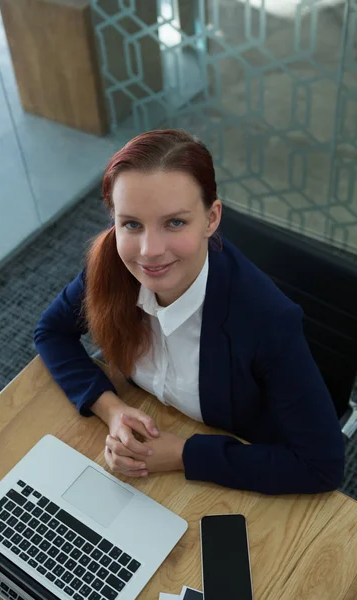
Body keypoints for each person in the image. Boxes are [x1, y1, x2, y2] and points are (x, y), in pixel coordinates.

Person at [34, 129, 345, 495]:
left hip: (237, 461)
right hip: (148, 443)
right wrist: (112, 409)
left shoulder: (268, 321)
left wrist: (183, 454)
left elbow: (323, 466)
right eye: (131, 223)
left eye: (175, 222)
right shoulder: (111, 265)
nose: (149, 250)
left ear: (211, 219)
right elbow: (51, 332)